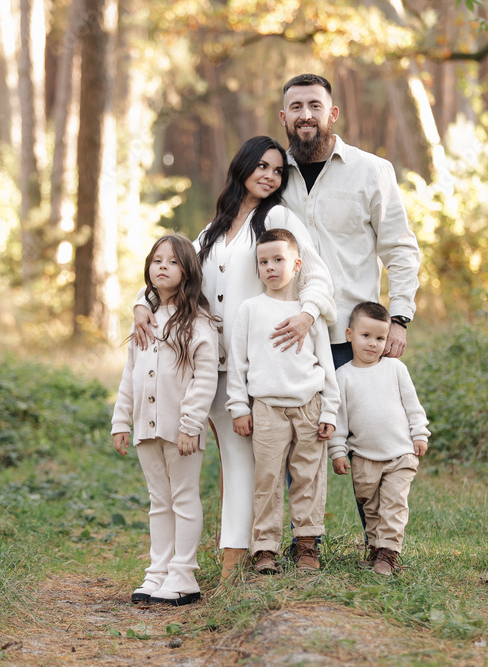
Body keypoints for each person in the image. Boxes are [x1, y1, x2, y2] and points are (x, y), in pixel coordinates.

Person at [132, 136, 336, 579]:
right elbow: (176, 271)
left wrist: (306, 314)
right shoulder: (213, 228)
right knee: (185, 456)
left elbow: (316, 272)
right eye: (261, 166)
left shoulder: (277, 217)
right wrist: (141, 303)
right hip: (200, 362)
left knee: (243, 464)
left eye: (278, 170)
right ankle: (171, 564)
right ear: (241, 166)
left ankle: (235, 563)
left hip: (250, 366)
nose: (269, 175)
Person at [279, 73, 421, 368]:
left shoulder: (372, 171)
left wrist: (399, 319)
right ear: (284, 117)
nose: (305, 115)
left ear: (333, 114)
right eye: (296, 107)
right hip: (289, 338)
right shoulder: (271, 177)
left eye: (315, 106)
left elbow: (400, 249)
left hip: (354, 339)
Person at [111, 234, 219, 606]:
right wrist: (121, 421)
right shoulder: (146, 321)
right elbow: (131, 374)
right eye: (157, 260)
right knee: (159, 501)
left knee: (183, 499)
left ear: (187, 271)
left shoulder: (198, 324)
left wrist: (191, 425)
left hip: (181, 431)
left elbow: (205, 378)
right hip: (146, 427)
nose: (163, 267)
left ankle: (183, 575)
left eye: (172, 262)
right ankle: (157, 572)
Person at [226, 228, 339, 573]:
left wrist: (330, 410)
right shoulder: (250, 310)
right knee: (268, 479)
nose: (270, 267)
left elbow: (326, 366)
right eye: (263, 261)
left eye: (278, 259)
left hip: (308, 405)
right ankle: (265, 549)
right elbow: (237, 363)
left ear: (297, 264)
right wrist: (239, 406)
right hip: (267, 407)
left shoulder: (310, 314)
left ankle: (307, 545)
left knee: (308, 476)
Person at [328, 302, 430, 575]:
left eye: (380, 338)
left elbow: (412, 405)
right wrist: (338, 451)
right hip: (363, 456)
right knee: (370, 506)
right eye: (366, 336)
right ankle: (375, 548)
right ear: (349, 335)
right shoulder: (343, 376)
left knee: (393, 505)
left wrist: (419, 433)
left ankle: (389, 552)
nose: (373, 344)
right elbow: (339, 420)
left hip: (399, 454)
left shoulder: (395, 369)